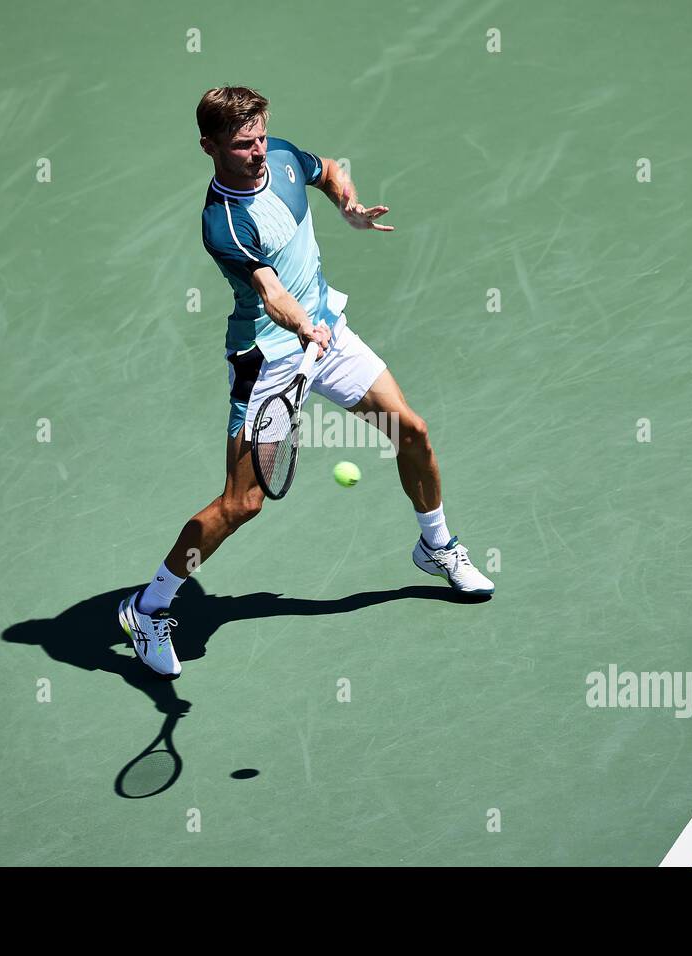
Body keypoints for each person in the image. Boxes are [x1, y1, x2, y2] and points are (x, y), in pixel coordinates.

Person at [120, 86, 494, 676]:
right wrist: (304, 329)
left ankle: (436, 545)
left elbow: (328, 170)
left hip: (326, 331)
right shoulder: (224, 223)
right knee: (241, 503)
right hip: (268, 358)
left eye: (262, 136)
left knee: (412, 431)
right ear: (208, 146)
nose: (259, 151)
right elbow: (270, 295)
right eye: (244, 144)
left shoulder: (285, 157)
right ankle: (149, 605)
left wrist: (348, 204)